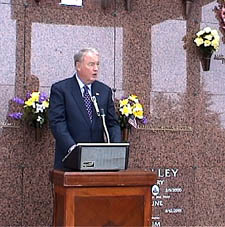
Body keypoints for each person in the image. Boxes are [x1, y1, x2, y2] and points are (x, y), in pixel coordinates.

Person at [48, 48, 121, 169]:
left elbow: (112, 123)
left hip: (99, 162)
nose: (96, 69)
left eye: (97, 64)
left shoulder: (104, 91)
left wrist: (116, 149)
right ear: (78, 66)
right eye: (91, 64)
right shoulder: (61, 89)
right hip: (70, 162)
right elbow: (57, 123)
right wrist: (74, 150)